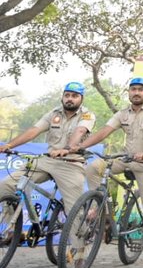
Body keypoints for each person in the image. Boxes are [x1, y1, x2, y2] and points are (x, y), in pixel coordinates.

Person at [76, 77, 143, 268]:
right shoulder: (123, 113)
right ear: (129, 92)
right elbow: (104, 131)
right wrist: (80, 146)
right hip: (126, 160)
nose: (136, 92)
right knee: (94, 167)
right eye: (133, 89)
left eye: (140, 89)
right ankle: (102, 211)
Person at [0, 82, 95, 216]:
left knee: (75, 213)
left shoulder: (87, 115)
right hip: (47, 161)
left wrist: (67, 149)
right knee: (5, 186)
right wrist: (9, 145)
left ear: (81, 99)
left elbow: (80, 131)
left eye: (74, 96)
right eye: (67, 95)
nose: (70, 98)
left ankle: (77, 236)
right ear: (62, 97)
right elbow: (34, 130)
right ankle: (13, 230)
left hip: (71, 164)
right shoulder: (53, 114)